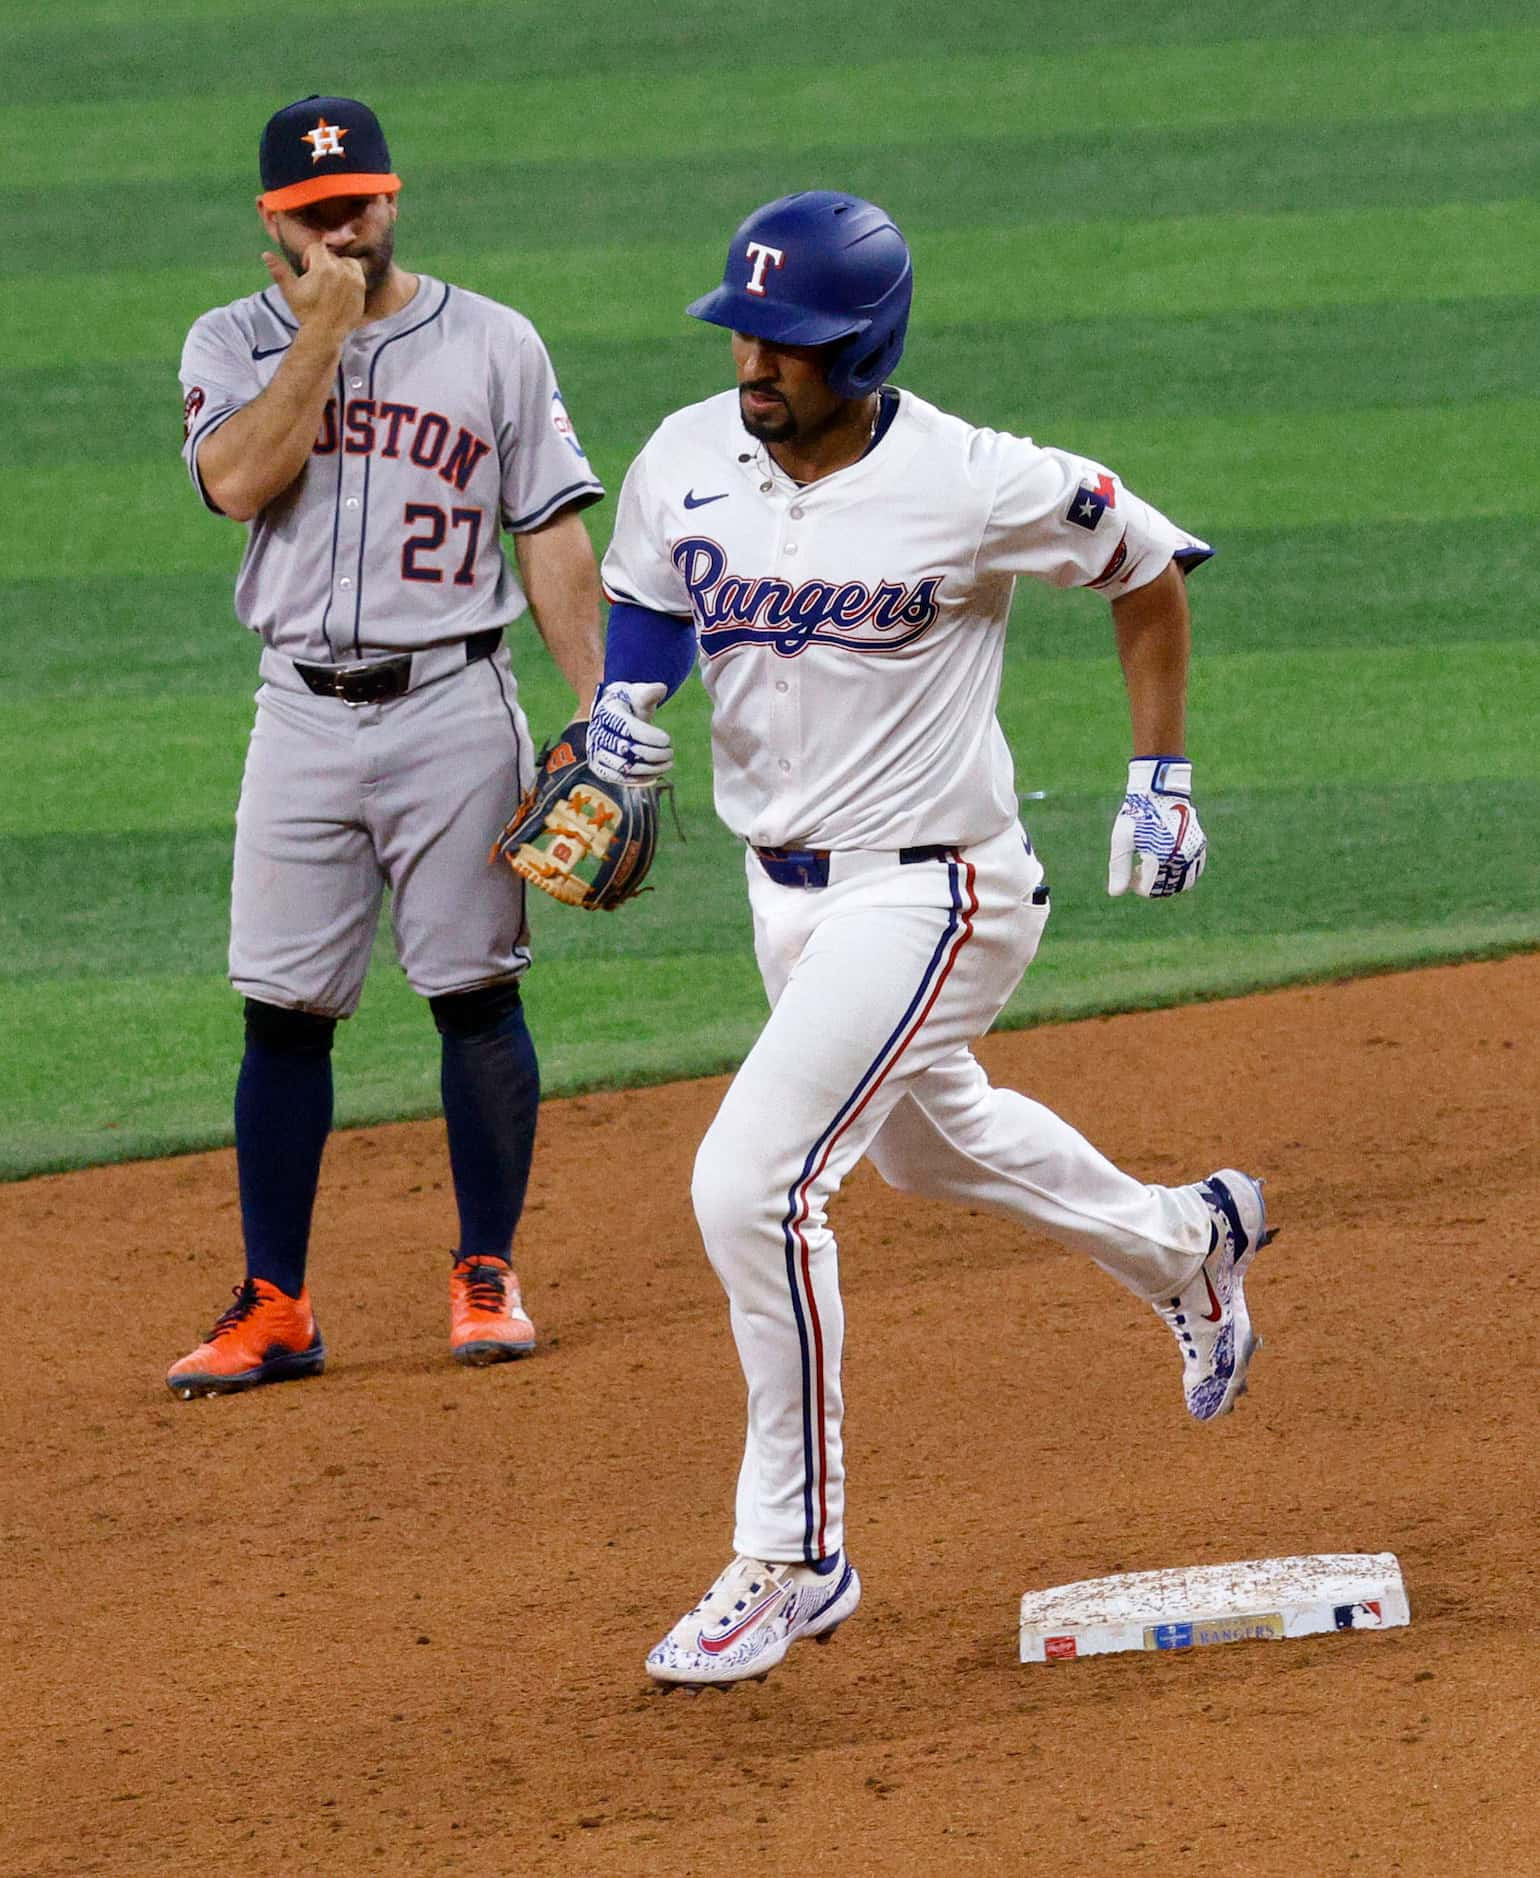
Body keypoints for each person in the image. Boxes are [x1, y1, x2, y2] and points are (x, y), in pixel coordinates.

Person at [586, 191, 1272, 1687]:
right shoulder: (685, 455)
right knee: (923, 1146)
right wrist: (622, 716)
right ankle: (1191, 1246)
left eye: (790, 343)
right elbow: (645, 595)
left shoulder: (974, 481)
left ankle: (796, 1552)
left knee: (752, 1183)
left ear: (867, 346)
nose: (756, 364)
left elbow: (1146, 568)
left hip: (938, 891)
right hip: (785, 897)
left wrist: (1162, 778)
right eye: (746, 332)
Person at [166, 96, 604, 1398]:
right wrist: (322, 337)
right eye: (314, 214)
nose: (343, 227)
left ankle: (486, 1272)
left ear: (395, 195)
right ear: (272, 223)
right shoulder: (227, 341)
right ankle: (276, 1303)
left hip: (452, 707)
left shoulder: (495, 343)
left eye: (359, 201)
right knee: (281, 1011)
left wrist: (595, 711)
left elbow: (553, 536)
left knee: (475, 987)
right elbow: (241, 481)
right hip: (296, 712)